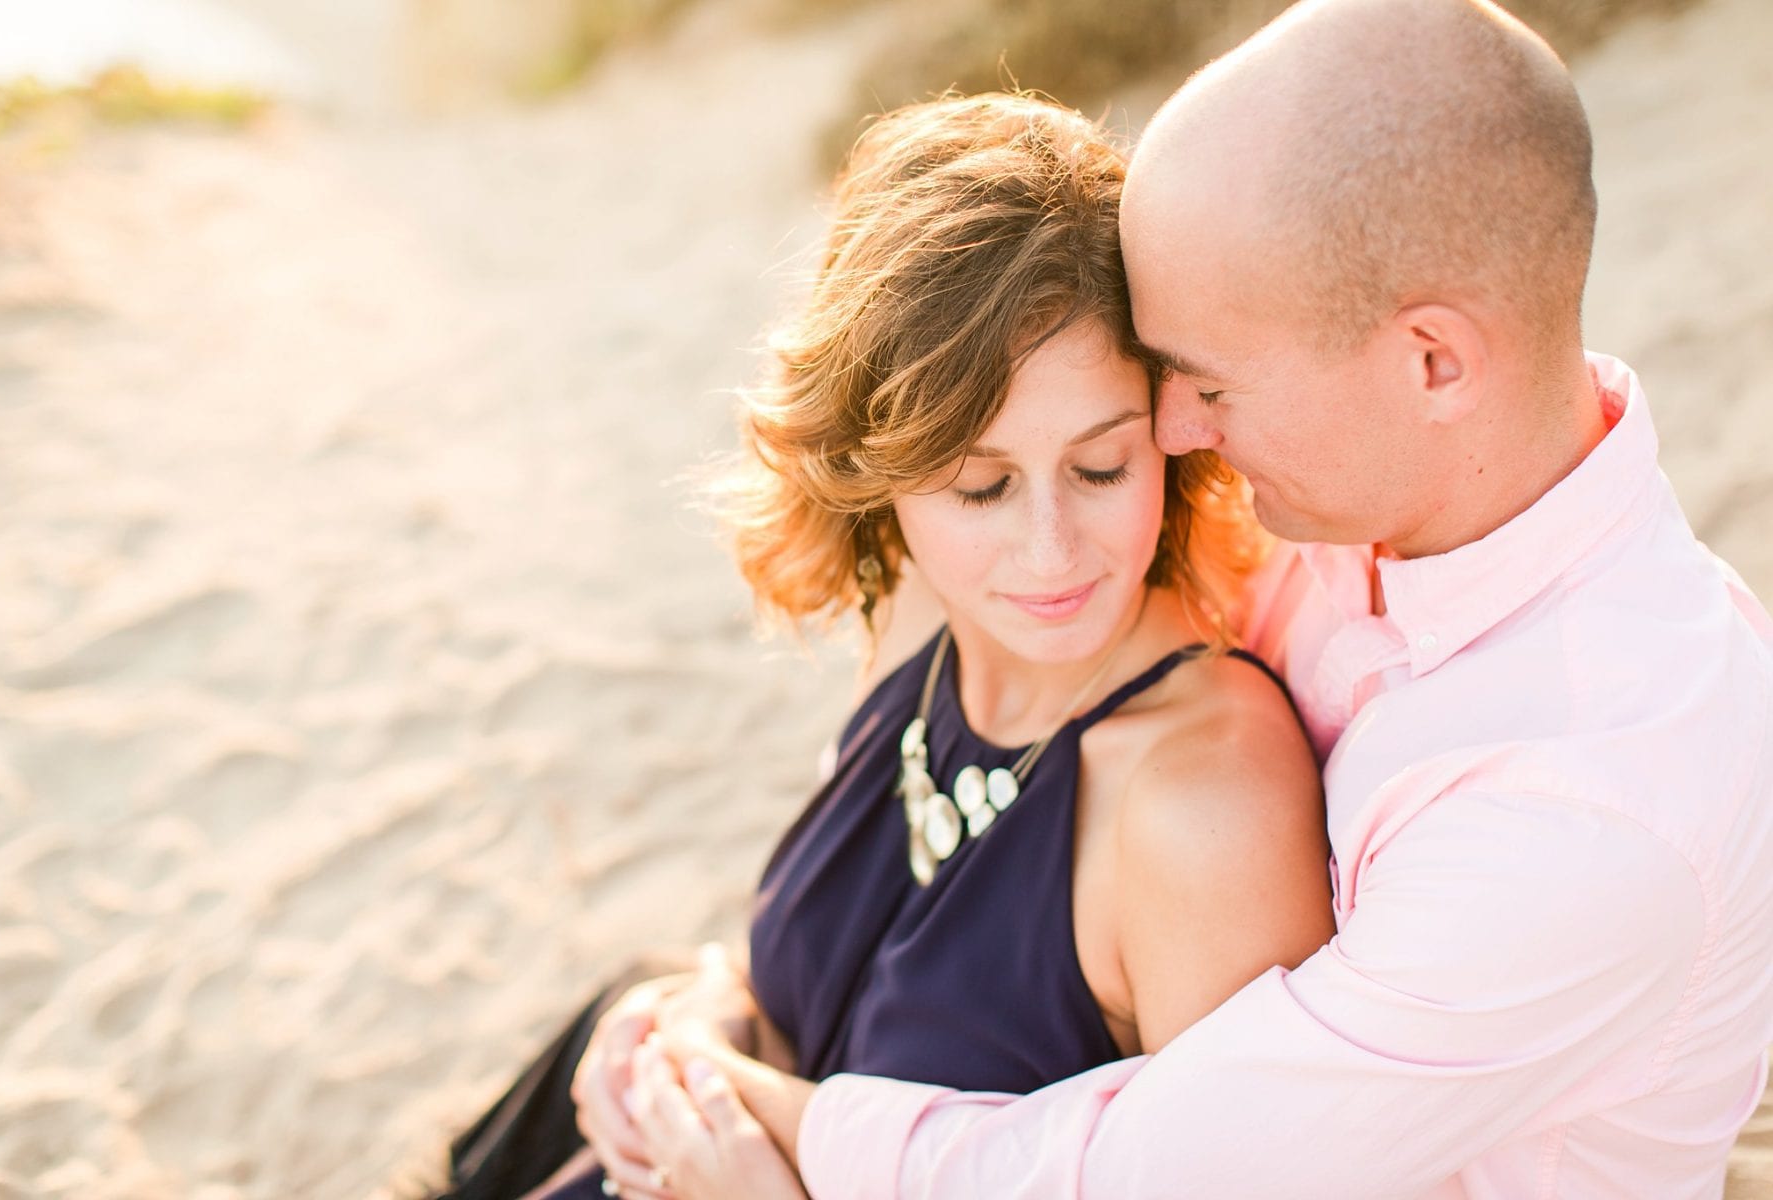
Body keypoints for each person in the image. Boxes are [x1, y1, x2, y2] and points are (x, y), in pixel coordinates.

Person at [633, 0, 1773, 1196]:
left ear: (1435, 360)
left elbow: (1161, 1169)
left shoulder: (1598, 803)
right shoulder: (1343, 500)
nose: (1177, 435)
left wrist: (779, 1141)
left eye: (1208, 387)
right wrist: (685, 1032)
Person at [426, 92, 1334, 1200]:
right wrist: (711, 1015)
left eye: (1103, 467)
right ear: (880, 471)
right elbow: (847, 996)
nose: (1050, 553)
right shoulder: (922, 608)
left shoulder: (1202, 805)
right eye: (978, 487)